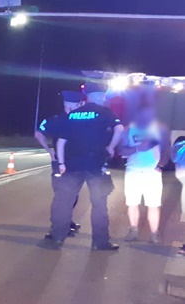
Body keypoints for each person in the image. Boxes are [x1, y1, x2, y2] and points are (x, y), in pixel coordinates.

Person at [50, 82, 125, 249]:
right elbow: (119, 129)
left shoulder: (73, 114)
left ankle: (57, 237)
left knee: (64, 202)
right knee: (99, 204)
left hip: (72, 164)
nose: (104, 99)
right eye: (103, 96)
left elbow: (61, 142)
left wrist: (61, 163)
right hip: (95, 165)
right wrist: (111, 147)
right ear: (99, 96)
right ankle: (100, 242)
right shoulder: (105, 112)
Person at [34, 90, 83, 238]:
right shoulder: (59, 120)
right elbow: (38, 133)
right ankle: (58, 226)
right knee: (62, 195)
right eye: (72, 105)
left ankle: (66, 221)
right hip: (63, 163)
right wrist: (49, 150)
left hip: (73, 163)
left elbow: (38, 133)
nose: (73, 108)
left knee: (72, 195)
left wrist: (49, 150)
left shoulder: (63, 119)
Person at [118, 105, 169, 243]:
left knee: (153, 204)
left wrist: (160, 165)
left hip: (152, 172)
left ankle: (154, 233)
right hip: (133, 170)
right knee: (132, 202)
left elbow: (166, 148)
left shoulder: (160, 129)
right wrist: (137, 149)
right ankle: (133, 230)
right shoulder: (129, 129)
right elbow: (121, 150)